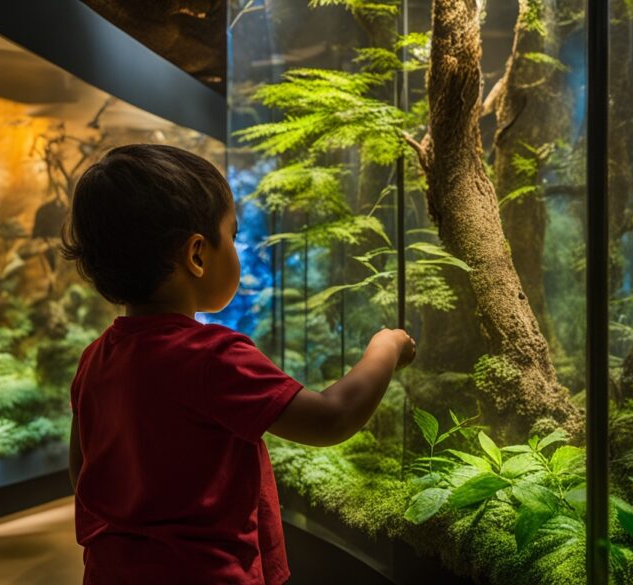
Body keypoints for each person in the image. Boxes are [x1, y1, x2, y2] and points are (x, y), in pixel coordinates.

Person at [61, 144, 416, 585]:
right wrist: (387, 345)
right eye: (231, 234)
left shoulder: (95, 358)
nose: (236, 246)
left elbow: (84, 472)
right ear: (196, 255)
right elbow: (330, 418)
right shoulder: (212, 356)